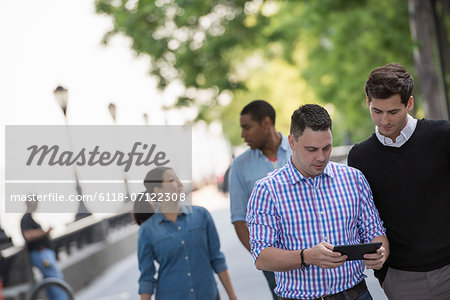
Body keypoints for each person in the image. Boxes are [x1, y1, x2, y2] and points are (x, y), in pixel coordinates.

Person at [246, 104, 389, 300]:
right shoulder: (267, 190)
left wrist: (381, 251)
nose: (321, 157)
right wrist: (306, 257)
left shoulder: (353, 179)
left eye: (327, 148)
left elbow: (375, 232)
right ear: (292, 142)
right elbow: (261, 257)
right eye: (311, 149)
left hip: (356, 294)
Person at [347, 63, 450, 300]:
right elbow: (365, 217)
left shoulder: (442, 136)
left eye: (393, 112)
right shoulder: (360, 157)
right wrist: (384, 277)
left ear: (409, 103)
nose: (384, 120)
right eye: (377, 111)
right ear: (368, 103)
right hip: (402, 280)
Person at [134, 167, 237, 300]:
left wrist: (232, 297)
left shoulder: (202, 216)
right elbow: (146, 278)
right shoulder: (147, 230)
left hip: (207, 295)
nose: (179, 183)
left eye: (177, 178)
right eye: (172, 179)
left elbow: (217, 259)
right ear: (158, 191)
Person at [228, 100, 292, 300]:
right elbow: (239, 219)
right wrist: (262, 256)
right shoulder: (239, 166)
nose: (242, 135)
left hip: (312, 251)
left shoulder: (297, 150)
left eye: (247, 127)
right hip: (273, 262)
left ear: (266, 123)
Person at [20, 197, 67, 300]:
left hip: (42, 253)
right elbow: (28, 235)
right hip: (41, 254)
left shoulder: (30, 218)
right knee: (55, 278)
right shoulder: (26, 219)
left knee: (50, 280)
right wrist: (45, 232)